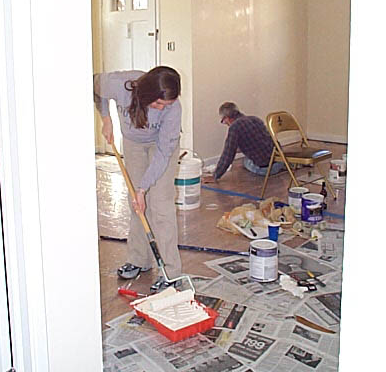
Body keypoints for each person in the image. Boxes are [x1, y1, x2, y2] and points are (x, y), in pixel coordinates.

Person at [94, 66, 183, 293]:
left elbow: (163, 153)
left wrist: (143, 188)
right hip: (133, 144)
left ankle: (170, 273)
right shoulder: (119, 84)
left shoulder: (173, 109)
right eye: (158, 103)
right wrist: (106, 118)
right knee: (136, 205)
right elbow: (94, 86)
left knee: (160, 205)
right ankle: (139, 259)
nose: (162, 108)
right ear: (147, 92)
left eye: (166, 105)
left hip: (161, 147)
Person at [204, 102, 285, 183]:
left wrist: (216, 176)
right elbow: (265, 140)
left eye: (223, 121)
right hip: (280, 162)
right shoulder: (255, 119)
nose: (225, 124)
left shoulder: (234, 127)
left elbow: (228, 155)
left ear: (227, 118)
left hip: (266, 169)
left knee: (245, 161)